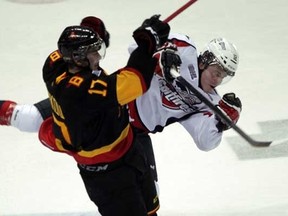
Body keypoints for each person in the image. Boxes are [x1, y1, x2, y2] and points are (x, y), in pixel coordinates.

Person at [0, 15, 242, 214]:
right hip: (106, 103)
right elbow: (138, 48)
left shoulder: (208, 103)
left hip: (133, 134)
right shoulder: (186, 48)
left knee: (151, 205)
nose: (218, 79)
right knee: (30, 116)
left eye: (224, 75)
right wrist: (162, 52)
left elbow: (205, 141)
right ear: (205, 59)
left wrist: (221, 123)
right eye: (217, 71)